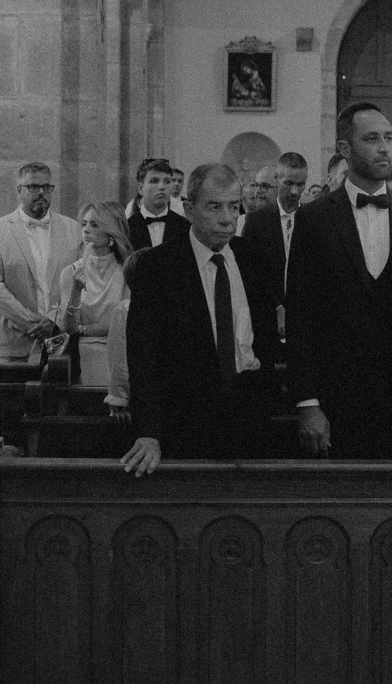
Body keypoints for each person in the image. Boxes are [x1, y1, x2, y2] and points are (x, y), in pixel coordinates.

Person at [285, 102, 392, 459]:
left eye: (389, 138)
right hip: (339, 396)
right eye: (372, 138)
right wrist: (307, 401)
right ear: (345, 149)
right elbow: (302, 315)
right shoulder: (314, 219)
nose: (384, 147)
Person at [120, 163, 280, 474]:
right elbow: (144, 356)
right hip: (183, 426)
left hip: (250, 424)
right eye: (214, 206)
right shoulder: (158, 267)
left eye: (234, 206)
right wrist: (148, 432)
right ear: (190, 209)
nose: (227, 218)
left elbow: (265, 342)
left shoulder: (254, 260)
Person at [0, 162, 83, 363]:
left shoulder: (72, 229)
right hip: (14, 345)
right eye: (33, 187)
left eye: (47, 187)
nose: (41, 192)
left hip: (61, 340)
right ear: (19, 190)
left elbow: (81, 281)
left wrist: (53, 319)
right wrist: (30, 322)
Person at [56, 200, 132, 389]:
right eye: (84, 224)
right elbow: (68, 327)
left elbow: (122, 323)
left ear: (111, 233)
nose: (86, 230)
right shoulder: (69, 272)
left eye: (94, 224)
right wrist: (75, 290)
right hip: (82, 357)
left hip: (118, 355)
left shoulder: (127, 272)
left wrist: (84, 328)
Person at [238, 150, 308, 301]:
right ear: (276, 178)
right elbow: (250, 272)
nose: (295, 191)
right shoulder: (256, 221)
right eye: (288, 183)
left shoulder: (314, 218)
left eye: (300, 184)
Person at [126, 156, 189, 252]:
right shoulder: (126, 228)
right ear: (140, 189)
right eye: (154, 181)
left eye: (167, 181)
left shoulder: (185, 227)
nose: (162, 187)